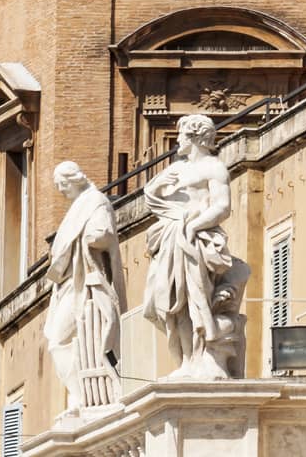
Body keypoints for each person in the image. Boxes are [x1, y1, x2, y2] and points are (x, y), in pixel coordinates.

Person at [142, 114, 250, 380]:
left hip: (195, 240)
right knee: (166, 302)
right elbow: (152, 200)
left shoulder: (213, 167)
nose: (177, 139)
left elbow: (222, 206)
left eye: (180, 135)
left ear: (194, 136)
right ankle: (186, 361)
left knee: (194, 299)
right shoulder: (175, 170)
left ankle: (200, 359)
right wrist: (154, 187)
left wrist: (194, 226)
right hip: (171, 238)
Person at [45, 161, 126, 415]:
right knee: (59, 340)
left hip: (85, 281)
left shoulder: (96, 201)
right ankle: (78, 395)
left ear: (75, 179)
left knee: (61, 339)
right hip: (69, 283)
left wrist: (92, 237)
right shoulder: (78, 206)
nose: (61, 191)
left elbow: (103, 234)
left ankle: (82, 396)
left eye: (63, 185)